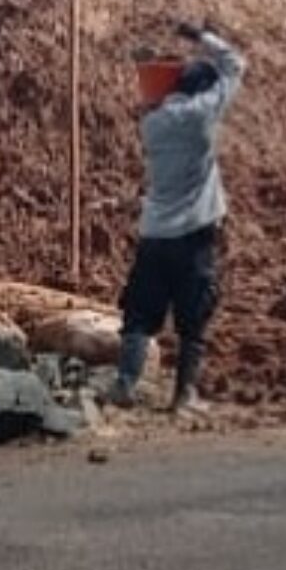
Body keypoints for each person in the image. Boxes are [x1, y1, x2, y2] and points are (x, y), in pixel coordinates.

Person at [109, 21, 246, 415]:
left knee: (139, 313)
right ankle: (184, 395)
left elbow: (154, 95)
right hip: (194, 237)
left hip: (154, 234)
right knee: (193, 317)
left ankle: (125, 384)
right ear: (203, 90)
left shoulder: (151, 123)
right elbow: (234, 65)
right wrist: (200, 37)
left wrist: (152, 68)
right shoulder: (203, 115)